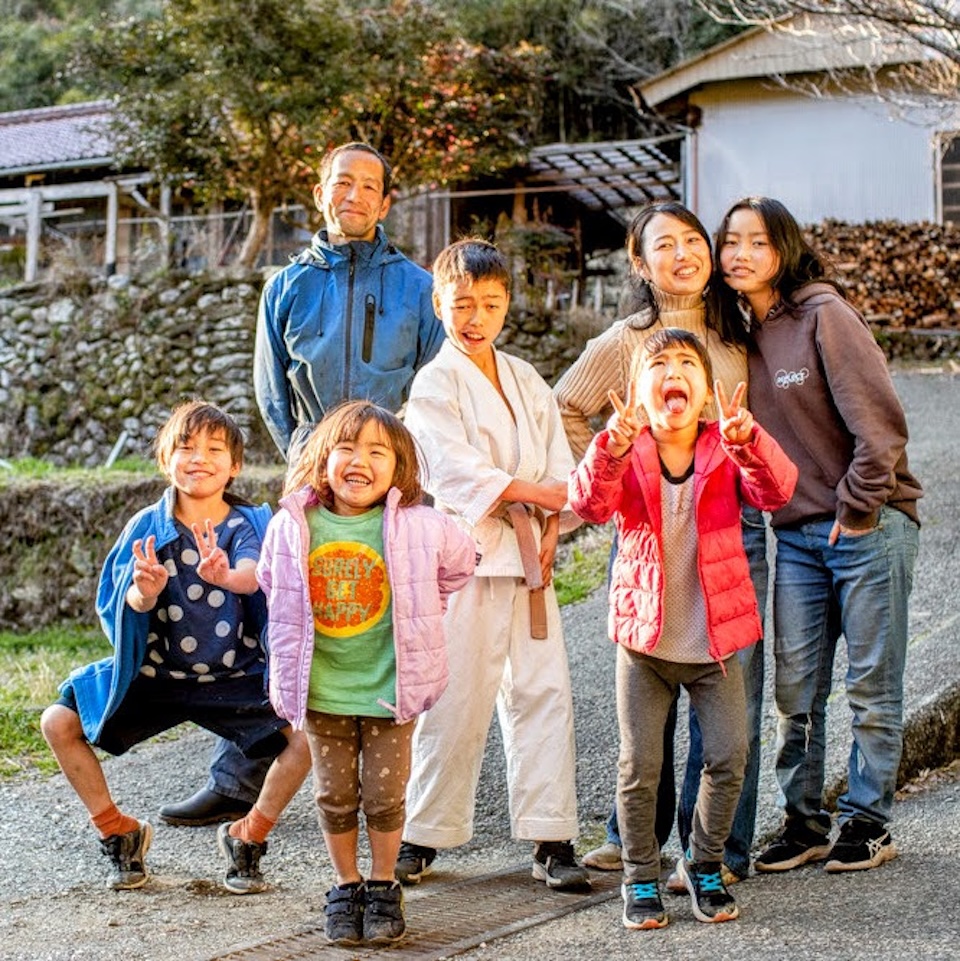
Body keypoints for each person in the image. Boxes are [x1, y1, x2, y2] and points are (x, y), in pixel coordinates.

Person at [161, 141, 446, 828]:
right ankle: (243, 773)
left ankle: (400, 797)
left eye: (367, 186)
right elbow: (270, 393)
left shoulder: (416, 286)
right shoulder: (286, 286)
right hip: (311, 478)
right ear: (319, 193)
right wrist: (309, 459)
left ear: (385, 202)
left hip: (392, 481)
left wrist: (396, 465)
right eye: (340, 183)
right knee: (283, 624)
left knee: (391, 627)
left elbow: (436, 385)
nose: (353, 195)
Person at [553, 200, 767, 888]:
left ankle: (715, 852)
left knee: (725, 700)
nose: (684, 253)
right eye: (664, 244)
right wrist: (615, 471)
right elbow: (565, 402)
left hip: (729, 531)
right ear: (640, 263)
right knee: (646, 702)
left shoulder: (739, 332)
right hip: (648, 527)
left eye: (692, 239)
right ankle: (634, 841)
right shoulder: (626, 338)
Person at [716, 196, 922, 873]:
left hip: (868, 525)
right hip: (797, 535)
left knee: (870, 681)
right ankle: (804, 821)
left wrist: (857, 509)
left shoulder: (822, 315)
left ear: (785, 248)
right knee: (796, 688)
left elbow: (882, 428)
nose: (740, 254)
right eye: (730, 243)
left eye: (757, 241)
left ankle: (868, 819)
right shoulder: (741, 334)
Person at [569, 328, 797, 928]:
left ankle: (704, 864)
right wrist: (609, 448)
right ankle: (640, 877)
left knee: (729, 757)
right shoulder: (628, 449)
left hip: (715, 641)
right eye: (659, 363)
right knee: (638, 766)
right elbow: (588, 505)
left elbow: (776, 492)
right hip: (644, 643)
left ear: (705, 388)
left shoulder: (727, 445)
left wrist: (750, 441)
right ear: (639, 392)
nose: (674, 370)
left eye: (687, 363)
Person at [40, 401, 312, 894]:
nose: (199, 458)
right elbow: (120, 601)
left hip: (236, 675)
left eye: (214, 448)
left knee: (307, 736)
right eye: (185, 447)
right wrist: (145, 590)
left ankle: (248, 836)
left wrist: (226, 575)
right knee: (58, 722)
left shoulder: (250, 523)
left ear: (235, 465)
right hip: (157, 675)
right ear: (166, 460)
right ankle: (117, 831)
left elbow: (258, 574)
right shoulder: (146, 526)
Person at [396, 238, 590, 891]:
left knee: (544, 693)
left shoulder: (526, 377)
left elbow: (561, 464)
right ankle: (421, 833)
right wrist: (539, 498)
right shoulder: (434, 382)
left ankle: (552, 834)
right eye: (461, 304)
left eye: (489, 303)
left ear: (507, 305)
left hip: (530, 561)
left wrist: (555, 524)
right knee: (455, 698)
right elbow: (451, 470)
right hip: (467, 558)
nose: (474, 317)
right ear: (439, 304)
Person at [257, 400, 476, 945]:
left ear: (398, 466)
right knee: (333, 797)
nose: (360, 461)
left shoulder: (422, 526)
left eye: (378, 451)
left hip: (388, 692)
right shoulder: (293, 526)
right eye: (347, 449)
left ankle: (382, 885)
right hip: (323, 692)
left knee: (384, 795)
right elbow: (270, 582)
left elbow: (460, 563)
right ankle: (345, 885)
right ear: (323, 459)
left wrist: (425, 606)